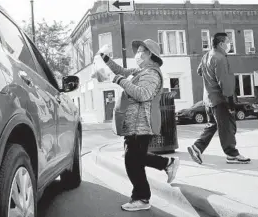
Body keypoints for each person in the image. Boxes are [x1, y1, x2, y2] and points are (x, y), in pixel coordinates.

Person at [94, 39, 180, 212]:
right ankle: (166, 164)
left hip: (142, 125)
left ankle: (142, 197)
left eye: (141, 51)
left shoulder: (152, 74)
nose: (137, 54)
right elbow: (121, 71)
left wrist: (118, 80)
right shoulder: (141, 71)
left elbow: (143, 94)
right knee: (135, 158)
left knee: (133, 160)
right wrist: (106, 59)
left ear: (150, 54)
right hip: (134, 125)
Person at [187, 32, 251, 164]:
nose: (230, 44)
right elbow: (225, 82)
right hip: (220, 99)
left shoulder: (206, 56)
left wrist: (209, 78)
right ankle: (232, 154)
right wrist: (230, 101)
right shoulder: (220, 58)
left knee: (213, 125)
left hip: (209, 99)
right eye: (228, 42)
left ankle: (197, 147)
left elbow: (200, 71)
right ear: (221, 44)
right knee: (227, 126)